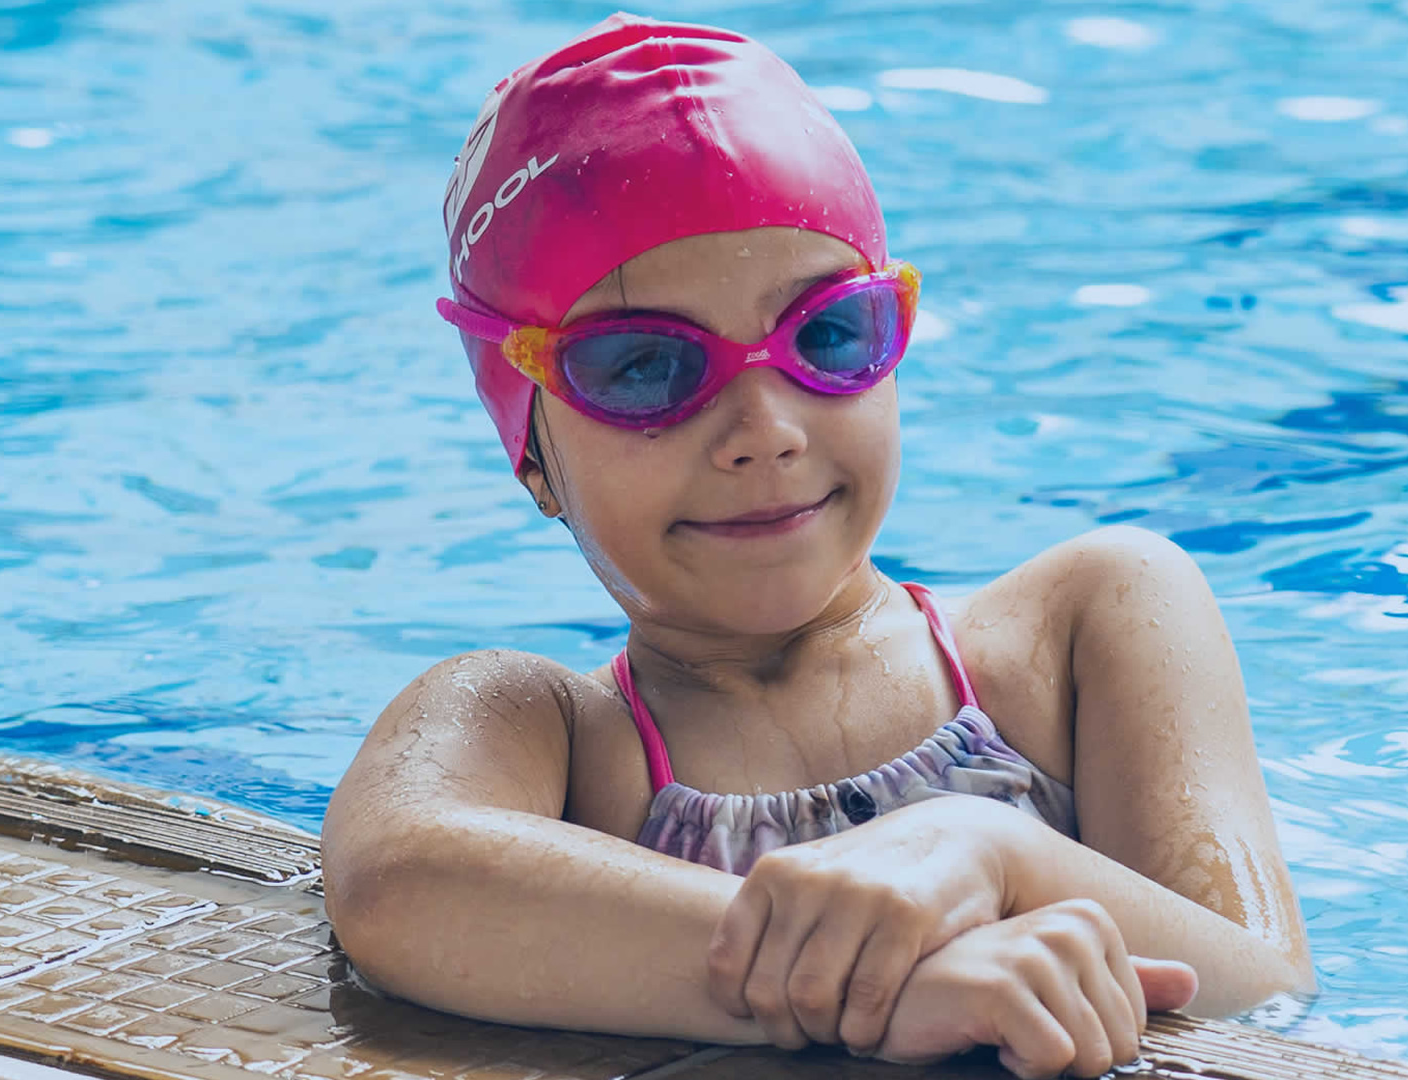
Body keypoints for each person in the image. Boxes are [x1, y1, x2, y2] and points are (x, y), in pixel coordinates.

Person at [323, 13, 1316, 1079]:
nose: (766, 433)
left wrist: (988, 848)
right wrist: (882, 991)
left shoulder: (1084, 624)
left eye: (827, 336)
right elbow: (397, 881)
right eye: (646, 367)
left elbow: (1264, 998)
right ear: (530, 455)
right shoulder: (553, 740)